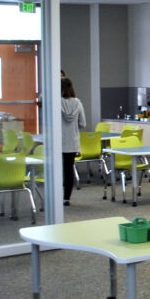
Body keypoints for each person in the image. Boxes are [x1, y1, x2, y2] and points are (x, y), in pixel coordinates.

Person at [60, 77, 86, 206]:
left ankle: (57, 195)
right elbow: (83, 123)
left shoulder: (56, 103)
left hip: (58, 142)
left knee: (58, 170)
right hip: (72, 141)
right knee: (69, 169)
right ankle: (66, 198)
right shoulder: (77, 103)